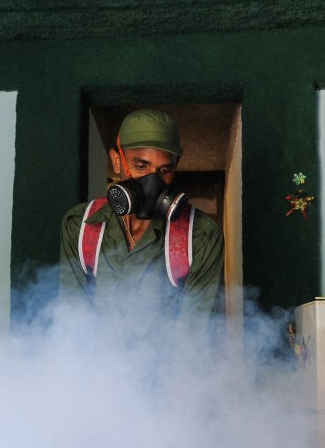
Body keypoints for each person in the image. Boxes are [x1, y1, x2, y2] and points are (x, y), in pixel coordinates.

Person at [59, 109, 224, 330]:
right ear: (117, 161)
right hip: (96, 352)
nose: (152, 182)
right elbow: (72, 320)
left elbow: (195, 336)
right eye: (141, 166)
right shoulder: (82, 225)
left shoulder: (201, 236)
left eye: (164, 170)